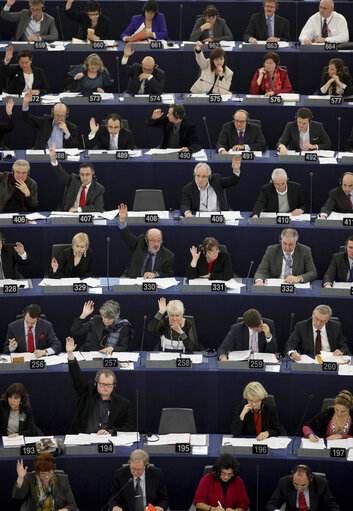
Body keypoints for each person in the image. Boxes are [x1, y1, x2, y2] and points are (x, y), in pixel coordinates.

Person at [66, 336, 132, 434]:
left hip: (106, 441)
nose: (106, 387)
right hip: (83, 438)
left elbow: (128, 428)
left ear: (114, 385)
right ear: (96, 383)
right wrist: (70, 353)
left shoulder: (122, 404)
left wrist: (110, 431)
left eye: (109, 385)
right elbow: (76, 377)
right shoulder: (87, 394)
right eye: (102, 384)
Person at [118, 204, 175, 278]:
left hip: (153, 284)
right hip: (133, 279)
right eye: (153, 240)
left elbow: (169, 274)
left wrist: (155, 274)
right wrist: (122, 221)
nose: (156, 244)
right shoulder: (140, 243)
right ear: (146, 240)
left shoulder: (168, 255)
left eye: (159, 240)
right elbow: (127, 237)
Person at [49, 143, 105, 212]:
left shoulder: (98, 188)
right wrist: (53, 159)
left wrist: (78, 209)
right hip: (69, 214)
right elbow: (61, 174)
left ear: (92, 173)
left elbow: (98, 207)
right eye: (82, 174)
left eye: (87, 174)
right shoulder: (73, 179)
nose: (84, 178)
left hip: (86, 216)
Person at [284, 304, 351, 359]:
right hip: (310, 360)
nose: (318, 323)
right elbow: (290, 344)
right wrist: (292, 353)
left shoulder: (335, 327)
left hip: (330, 360)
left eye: (322, 321)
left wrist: (341, 351)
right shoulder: (301, 326)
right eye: (316, 319)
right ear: (313, 314)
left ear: (327, 320)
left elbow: (343, 346)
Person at [12, 454, 77, 510]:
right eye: (43, 474)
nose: (47, 476)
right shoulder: (30, 478)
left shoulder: (62, 480)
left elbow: (72, 504)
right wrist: (20, 478)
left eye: (50, 472)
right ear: (37, 473)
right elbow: (18, 496)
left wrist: (66, 509)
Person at [266, 464, 340, 511]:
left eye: (303, 485)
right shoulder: (285, 483)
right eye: (296, 484)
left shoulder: (321, 484)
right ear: (292, 479)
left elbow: (333, 506)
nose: (299, 488)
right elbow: (271, 505)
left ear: (310, 479)